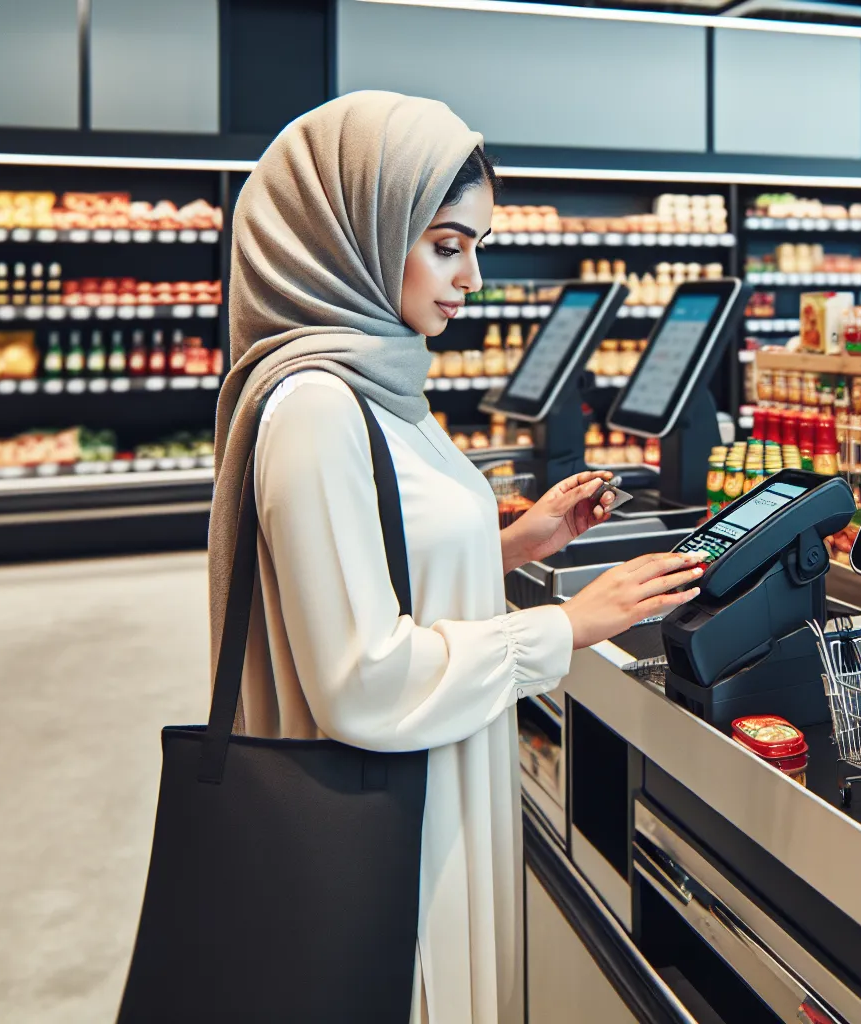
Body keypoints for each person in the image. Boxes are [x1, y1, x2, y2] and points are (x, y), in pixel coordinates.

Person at [208, 92, 707, 1024]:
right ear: (352, 228)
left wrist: (513, 541)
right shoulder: (317, 406)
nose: (472, 276)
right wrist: (570, 623)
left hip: (440, 779)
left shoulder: (380, 377)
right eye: (446, 244)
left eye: (475, 245)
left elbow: (378, 554)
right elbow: (363, 680)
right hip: (392, 820)